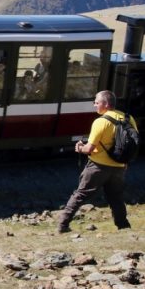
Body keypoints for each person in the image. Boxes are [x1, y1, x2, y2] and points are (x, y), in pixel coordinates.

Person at [57, 90, 135, 233]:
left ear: (105, 104)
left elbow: (89, 149)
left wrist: (79, 147)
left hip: (98, 167)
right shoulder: (128, 119)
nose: (94, 105)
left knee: (80, 195)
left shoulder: (101, 122)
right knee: (116, 197)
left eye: (97, 102)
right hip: (119, 167)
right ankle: (123, 226)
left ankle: (63, 225)